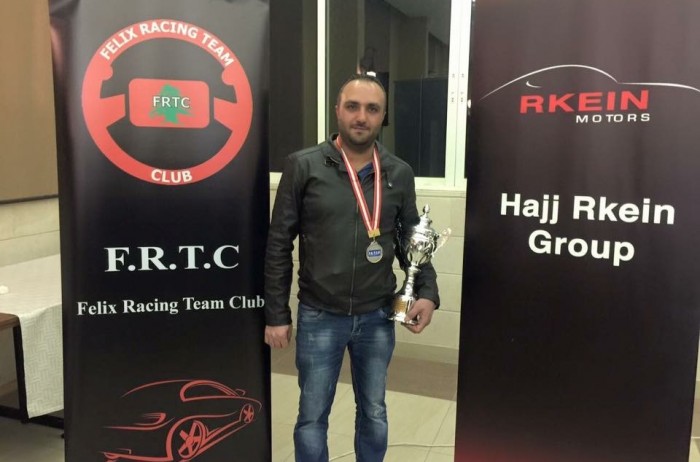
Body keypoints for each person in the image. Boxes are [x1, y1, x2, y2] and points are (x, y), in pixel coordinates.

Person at [264, 74, 440, 462]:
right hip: (319, 315)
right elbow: (278, 243)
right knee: (312, 417)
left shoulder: (398, 172)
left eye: (372, 109)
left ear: (383, 116)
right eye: (353, 107)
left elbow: (412, 240)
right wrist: (276, 313)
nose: (362, 116)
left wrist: (427, 292)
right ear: (337, 111)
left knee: (374, 412)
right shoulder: (303, 166)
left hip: (377, 316)